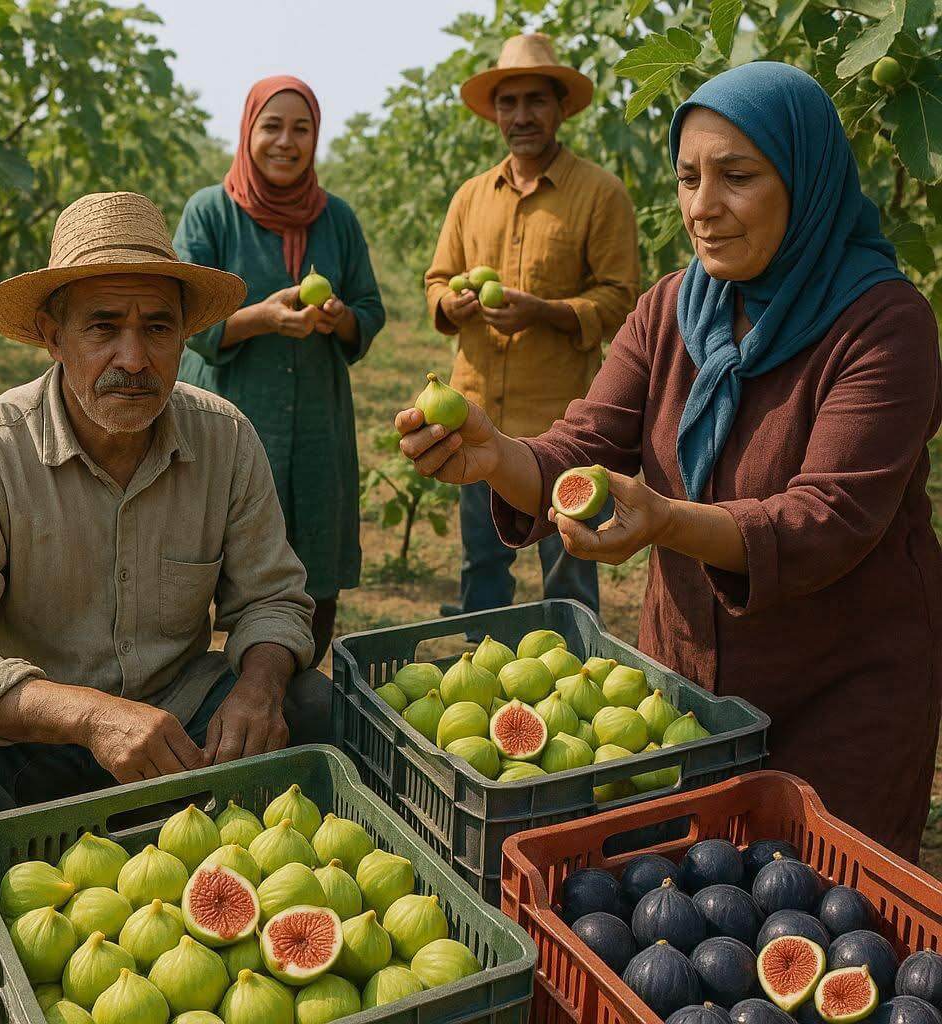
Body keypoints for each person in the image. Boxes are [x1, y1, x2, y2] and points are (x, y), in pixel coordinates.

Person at [399, 62, 942, 861]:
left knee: (821, 903)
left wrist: (665, 522)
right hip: (689, 683)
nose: (701, 206)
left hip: (840, 689)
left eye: (737, 177)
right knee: (686, 894)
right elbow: (585, 444)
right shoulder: (672, 308)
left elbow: (829, 519)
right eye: (688, 178)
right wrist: (496, 456)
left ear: (806, 180)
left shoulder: (885, 323)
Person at [0, 192, 331, 926]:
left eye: (158, 328)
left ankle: (232, 868)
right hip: (34, 736)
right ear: (53, 337)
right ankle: (5, 905)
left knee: (317, 707)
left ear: (184, 338)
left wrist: (258, 686)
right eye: (103, 327)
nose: (134, 360)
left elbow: (273, 598)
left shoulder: (225, 438)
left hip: (185, 725)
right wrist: (88, 716)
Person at [425, 32, 641, 624]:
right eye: (508, 102)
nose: (520, 116)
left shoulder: (601, 194)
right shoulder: (470, 197)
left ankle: (579, 664)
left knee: (570, 565)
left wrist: (543, 311)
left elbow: (622, 300)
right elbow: (437, 280)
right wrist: (452, 305)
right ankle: (476, 663)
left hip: (561, 424)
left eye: (535, 101)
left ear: (561, 108)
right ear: (495, 112)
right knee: (480, 565)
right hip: (475, 417)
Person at [175, 77, 385, 665]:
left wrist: (342, 318)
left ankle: (296, 689)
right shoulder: (211, 212)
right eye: (272, 126)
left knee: (314, 564)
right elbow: (183, 315)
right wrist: (260, 318)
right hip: (228, 417)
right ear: (248, 131)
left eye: (301, 128)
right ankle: (209, 693)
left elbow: (370, 309)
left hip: (318, 419)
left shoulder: (337, 218)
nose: (286, 142)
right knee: (210, 558)